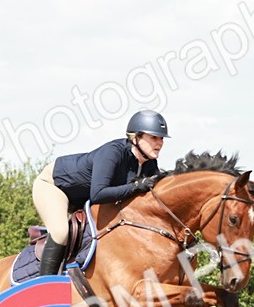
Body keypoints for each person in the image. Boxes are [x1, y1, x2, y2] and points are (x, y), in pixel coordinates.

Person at [32, 109, 169, 277]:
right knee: (61, 233)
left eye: (161, 138)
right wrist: (135, 187)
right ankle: (44, 285)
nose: (160, 143)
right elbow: (98, 194)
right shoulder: (112, 153)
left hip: (82, 195)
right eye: (153, 137)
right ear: (135, 138)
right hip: (54, 186)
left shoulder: (150, 163)